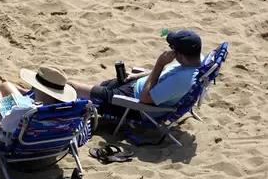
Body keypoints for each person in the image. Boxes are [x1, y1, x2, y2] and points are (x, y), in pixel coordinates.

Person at [69, 30, 203, 117]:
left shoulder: (181, 80)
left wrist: (160, 64)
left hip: (134, 103)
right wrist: (136, 76)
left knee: (73, 87)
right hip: (136, 85)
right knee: (93, 88)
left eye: (172, 48)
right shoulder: (197, 60)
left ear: (181, 55)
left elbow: (145, 99)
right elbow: (165, 74)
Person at [0, 66, 78, 135]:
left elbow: (5, 127)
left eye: (34, 87)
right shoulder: (70, 112)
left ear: (40, 90)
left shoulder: (28, 112)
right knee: (6, 86)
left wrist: (7, 110)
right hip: (49, 142)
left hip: (15, 141)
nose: (33, 89)